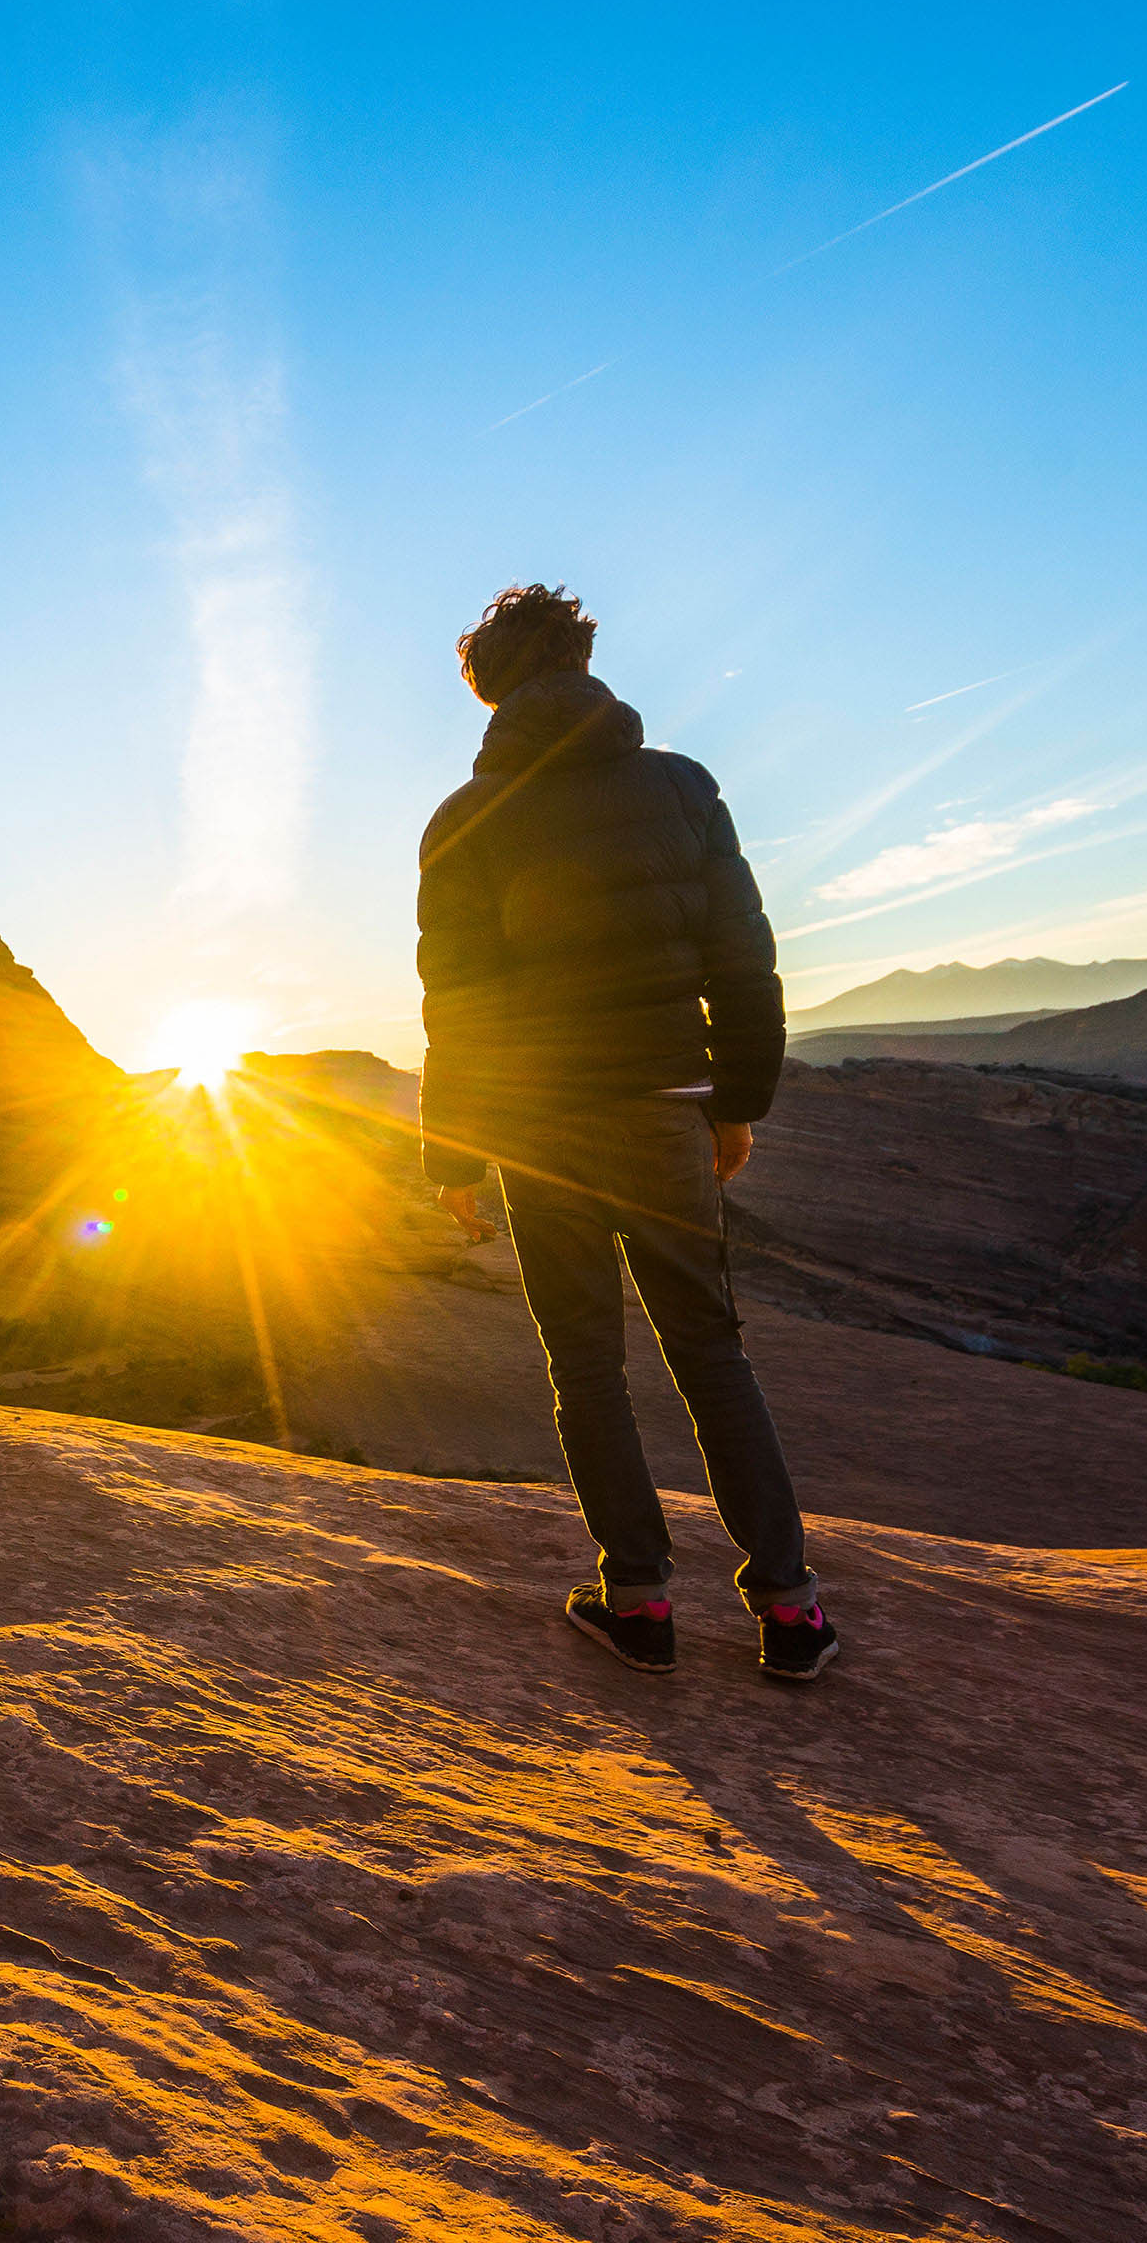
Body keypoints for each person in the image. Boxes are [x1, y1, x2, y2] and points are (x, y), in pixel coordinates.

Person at [415, 584, 833, 1681]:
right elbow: (745, 960)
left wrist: (454, 1152)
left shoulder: (467, 820)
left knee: (586, 1362)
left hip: (543, 1128)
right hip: (665, 1110)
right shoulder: (682, 787)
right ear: (585, 661)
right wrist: (737, 1100)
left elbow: (458, 1005)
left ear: (490, 688)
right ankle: (790, 1613)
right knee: (710, 1349)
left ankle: (637, 1600)